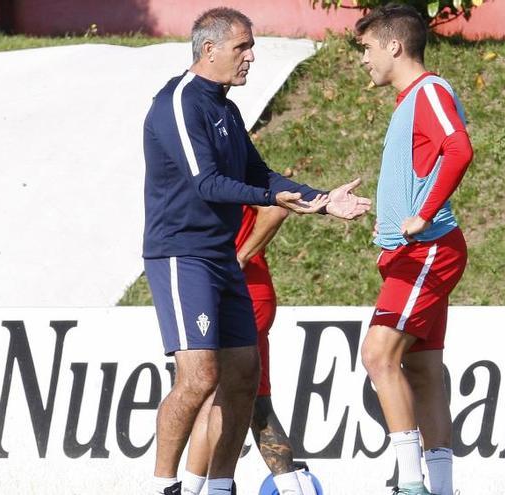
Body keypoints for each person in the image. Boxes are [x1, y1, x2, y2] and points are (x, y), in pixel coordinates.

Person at [142, 7, 371, 495]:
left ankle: (220, 488)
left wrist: (323, 201)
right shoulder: (180, 101)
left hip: (221, 257)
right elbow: (205, 182)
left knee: (244, 377)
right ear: (209, 50)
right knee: (199, 377)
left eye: (251, 46)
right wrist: (272, 199)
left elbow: (258, 175)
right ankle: (161, 487)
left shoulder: (224, 107)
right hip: (183, 255)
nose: (251, 56)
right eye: (242, 47)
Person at [354, 5, 473, 495]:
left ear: (394, 46)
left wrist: (423, 214)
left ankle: (410, 484)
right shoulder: (409, 101)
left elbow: (459, 147)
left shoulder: (430, 91)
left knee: (378, 354)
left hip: (429, 249)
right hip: (414, 253)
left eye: (366, 49)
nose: (363, 60)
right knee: (422, 370)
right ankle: (440, 487)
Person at [179, 205, 318, 495]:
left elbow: (274, 212)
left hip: (240, 296)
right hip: (246, 296)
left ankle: (193, 489)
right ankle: (291, 487)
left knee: (214, 394)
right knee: (257, 400)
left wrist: (241, 256)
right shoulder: (221, 169)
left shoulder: (232, 166)